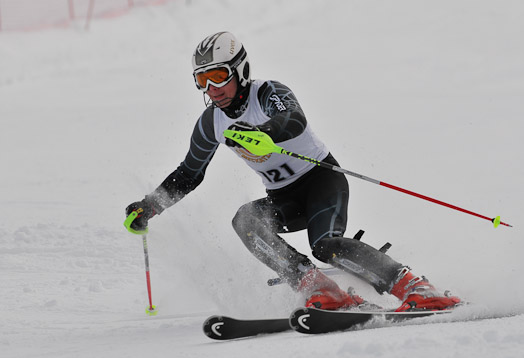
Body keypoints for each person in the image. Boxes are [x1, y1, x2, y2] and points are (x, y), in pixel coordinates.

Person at [125, 31, 460, 311]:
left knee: (325, 244)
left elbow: (293, 120)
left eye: (218, 76)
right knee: (246, 221)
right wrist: (149, 207)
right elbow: (188, 175)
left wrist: (265, 135)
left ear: (240, 71)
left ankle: (417, 288)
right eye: (202, 79)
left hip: (322, 183)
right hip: (285, 198)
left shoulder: (269, 92)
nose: (212, 88)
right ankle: (322, 289)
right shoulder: (211, 122)